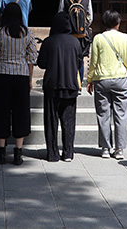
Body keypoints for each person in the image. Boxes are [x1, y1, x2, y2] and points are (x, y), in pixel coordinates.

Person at [0, 2, 38, 165]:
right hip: (21, 76)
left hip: (2, 75)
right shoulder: (27, 33)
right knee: (20, 112)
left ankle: (1, 152)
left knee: (1, 111)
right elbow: (32, 57)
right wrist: (30, 79)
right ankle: (18, 152)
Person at [87, 9, 127, 160]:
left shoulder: (98, 38)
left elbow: (93, 62)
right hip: (121, 78)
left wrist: (89, 80)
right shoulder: (125, 38)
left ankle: (105, 149)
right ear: (118, 23)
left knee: (103, 114)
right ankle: (119, 149)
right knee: (121, 115)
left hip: (102, 79)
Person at [36, 12, 83, 162]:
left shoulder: (48, 42)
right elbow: (79, 64)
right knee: (68, 120)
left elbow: (41, 63)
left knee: (51, 120)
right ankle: (68, 152)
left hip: (52, 84)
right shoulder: (75, 42)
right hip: (70, 84)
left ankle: (52, 153)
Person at [59, 0, 93, 83]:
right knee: (80, 59)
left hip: (67, 34)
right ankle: (79, 83)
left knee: (67, 59)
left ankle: (69, 81)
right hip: (82, 35)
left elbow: (60, 15)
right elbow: (90, 18)